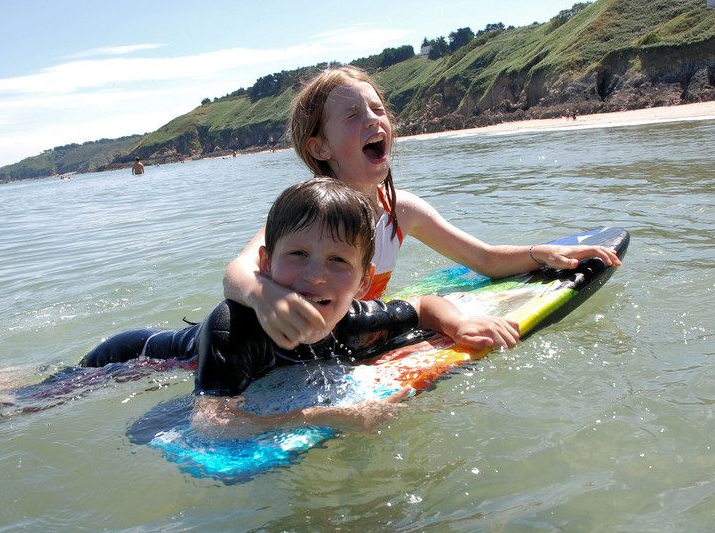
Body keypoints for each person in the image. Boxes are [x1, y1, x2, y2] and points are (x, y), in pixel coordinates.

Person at [223, 65, 622, 350]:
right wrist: (265, 297)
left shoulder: (400, 210)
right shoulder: (308, 214)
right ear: (319, 146)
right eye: (352, 115)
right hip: (261, 343)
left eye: (378, 111)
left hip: (348, 330)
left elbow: (482, 258)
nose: (373, 121)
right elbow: (236, 272)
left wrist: (543, 253)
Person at [82, 178, 519, 437]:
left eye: (337, 261)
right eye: (298, 256)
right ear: (267, 264)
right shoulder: (233, 327)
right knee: (38, 398)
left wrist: (459, 324)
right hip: (135, 359)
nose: (316, 277)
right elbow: (212, 424)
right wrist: (323, 416)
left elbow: (425, 305)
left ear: (364, 281)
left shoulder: (352, 319)